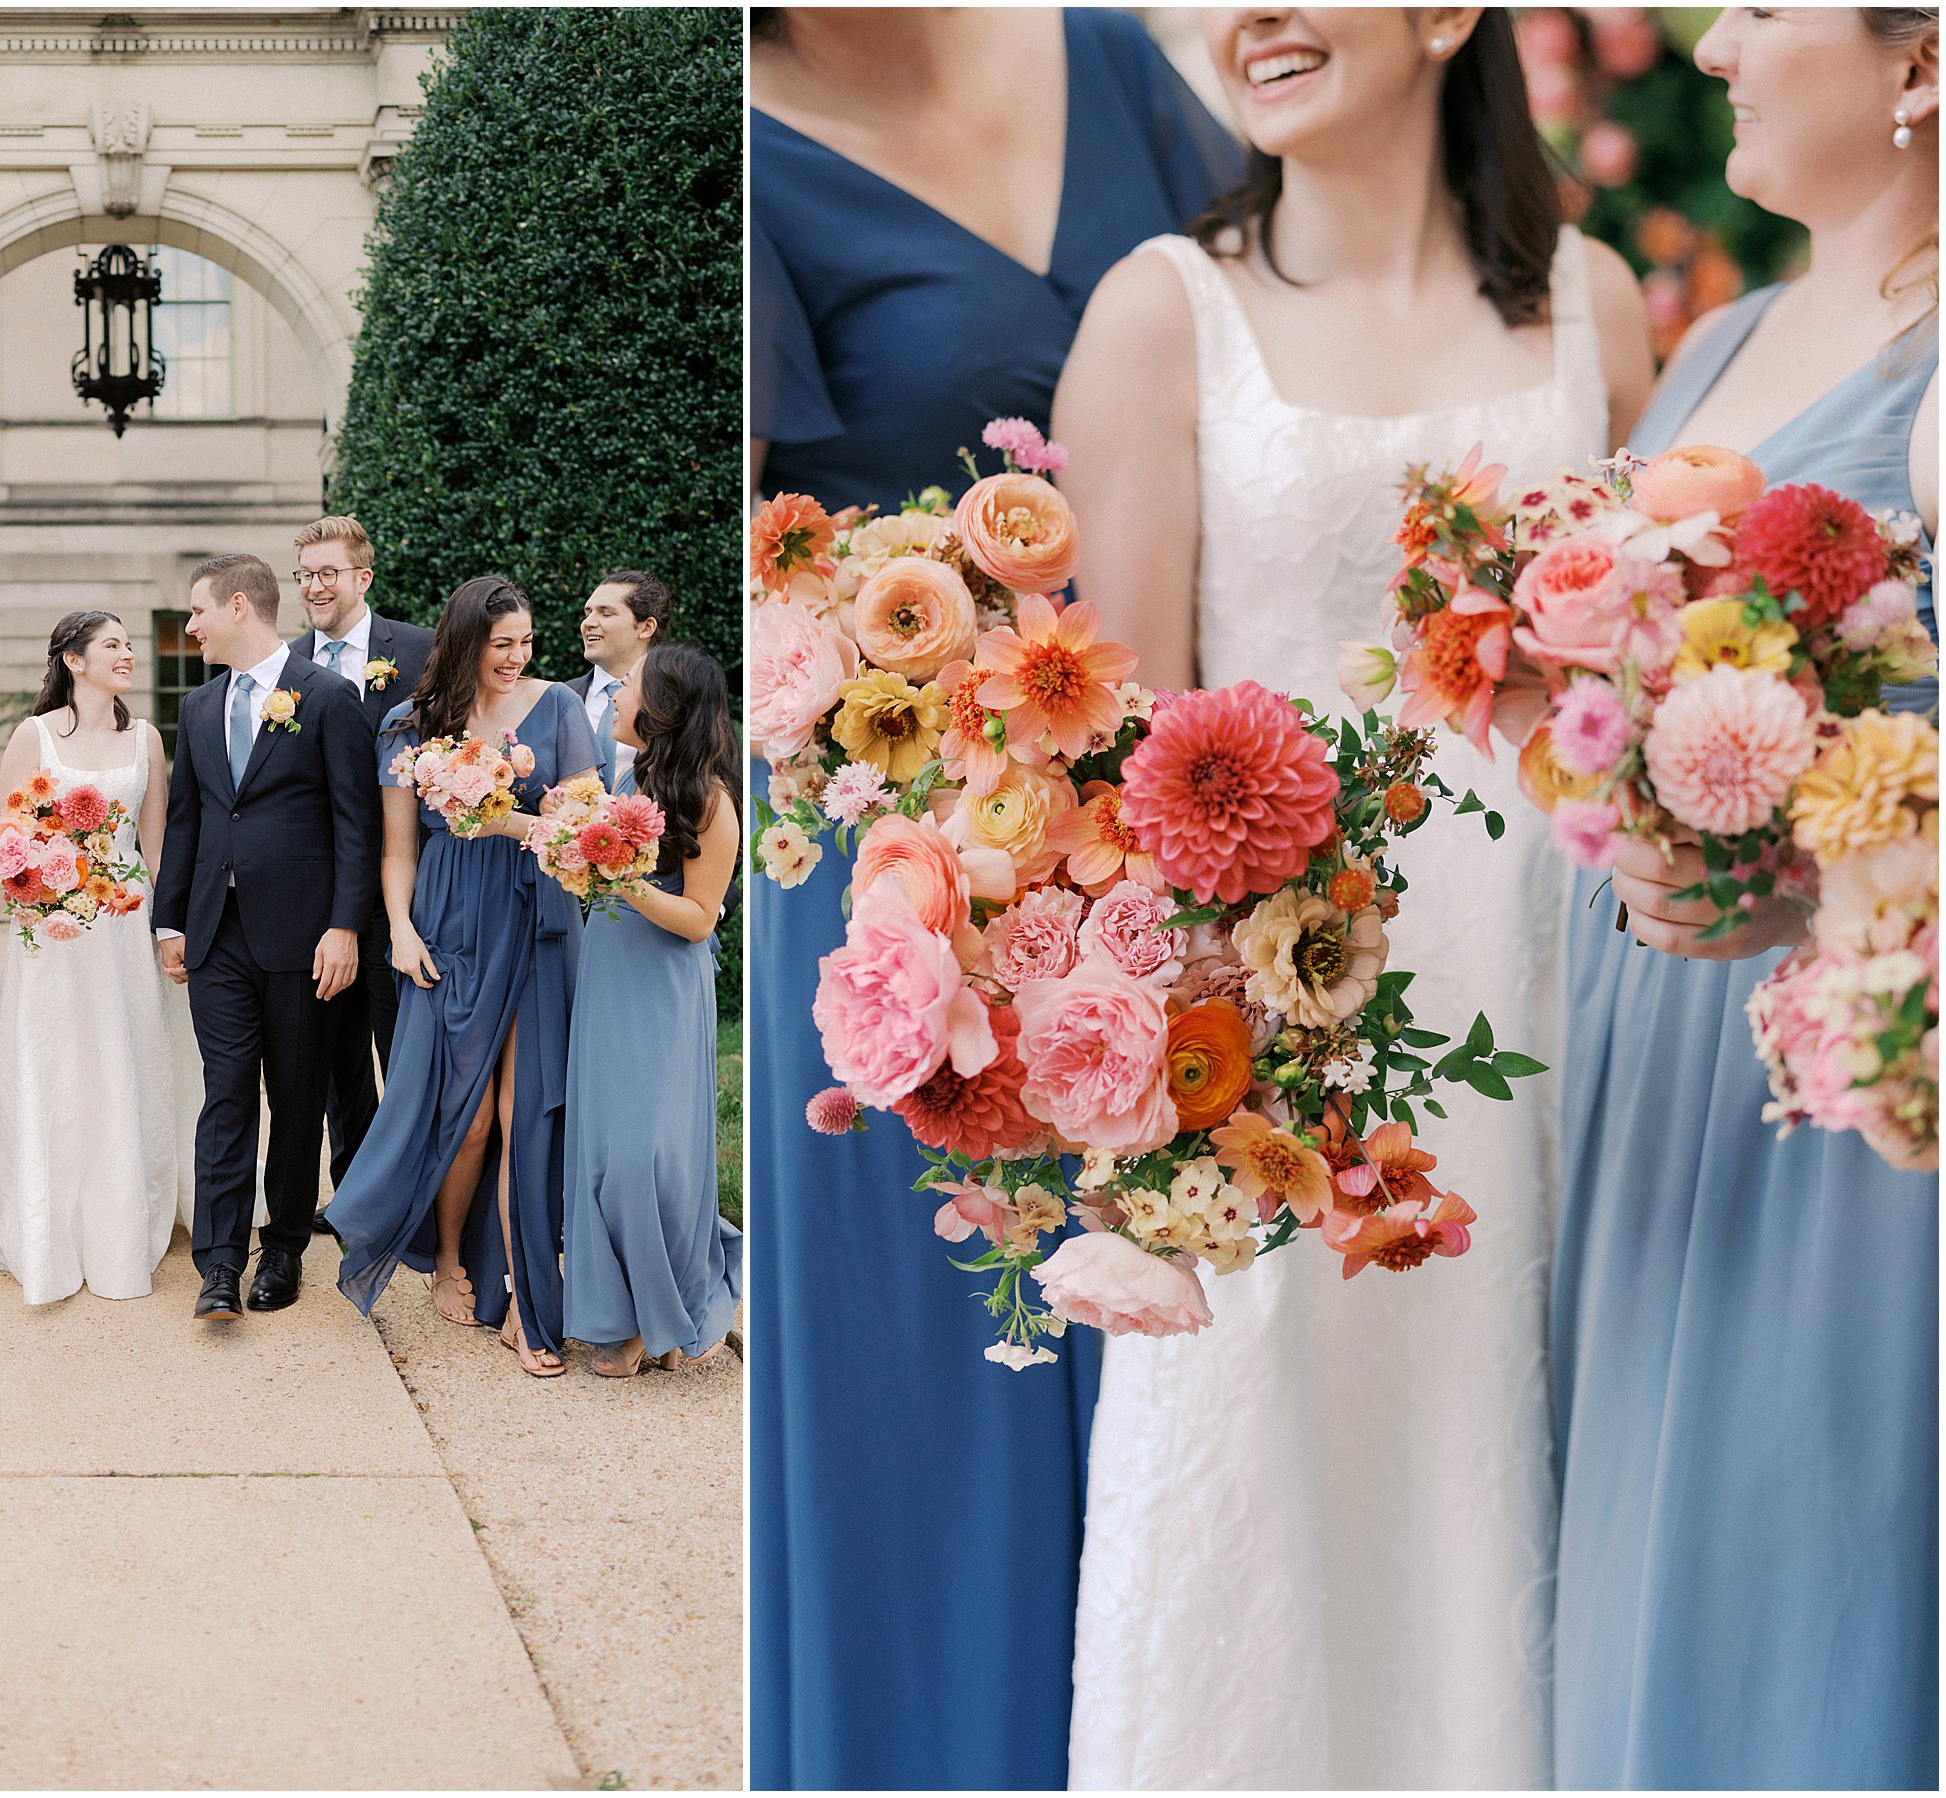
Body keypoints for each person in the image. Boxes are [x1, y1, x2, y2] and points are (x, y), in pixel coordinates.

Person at [1047, 8, 1652, 1785]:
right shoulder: (1164, 311)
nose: (1250, 15)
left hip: (1560, 997)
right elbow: (1123, 776)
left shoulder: (1597, 305)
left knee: (1516, 1455)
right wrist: (1156, 1117)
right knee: (1265, 1480)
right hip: (1291, 1044)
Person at [747, 8, 1238, 1786]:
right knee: (955, 1415)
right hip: (906, 878)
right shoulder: (746, 140)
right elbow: (757, 571)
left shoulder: (1114, 59)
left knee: (1193, 1390)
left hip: (1198, 822)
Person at [1553, 9, 1938, 1787]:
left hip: (1845, 1085)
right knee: (1629, 1567)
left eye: (1769, 6)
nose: (1711, 44)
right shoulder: (1715, 337)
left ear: (1921, 62)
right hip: (1650, 1044)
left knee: (1802, 1580)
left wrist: (1801, 867)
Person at [324, 576, 598, 1377]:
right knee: (466, 1116)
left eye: (526, 642)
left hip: (538, 918)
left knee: (528, 1116)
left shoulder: (560, 710)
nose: (516, 658)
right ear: (466, 641)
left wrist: (500, 815)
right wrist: (400, 930)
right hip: (447, 923)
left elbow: (580, 828)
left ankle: (524, 1299)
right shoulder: (411, 724)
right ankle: (447, 1258)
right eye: (500, 644)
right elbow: (398, 847)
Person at [153, 553, 376, 1324]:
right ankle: (218, 1264)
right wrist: (171, 918)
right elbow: (190, 820)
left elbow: (357, 822)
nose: (190, 627)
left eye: (198, 612)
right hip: (218, 935)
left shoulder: (328, 698)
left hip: (305, 936)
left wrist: (345, 925)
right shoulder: (197, 706)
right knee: (225, 1096)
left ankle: (283, 1248)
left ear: (239, 605)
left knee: (296, 1096)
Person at [0, 611, 185, 1304]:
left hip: (124, 924)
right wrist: (44, 893)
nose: (128, 655)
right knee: (58, 1058)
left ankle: (124, 1213)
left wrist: (168, 929)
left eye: (129, 644)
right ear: (73, 659)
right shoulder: (34, 738)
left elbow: (156, 848)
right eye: (113, 646)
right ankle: (45, 1216)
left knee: (124, 1055)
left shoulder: (145, 739)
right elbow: (9, 843)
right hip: (54, 932)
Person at [563, 641, 743, 1376]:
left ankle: (657, 1311)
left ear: (664, 706)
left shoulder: (708, 796)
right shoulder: (629, 778)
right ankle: (623, 1314)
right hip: (607, 970)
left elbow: (702, 916)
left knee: (649, 1156)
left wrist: (619, 874)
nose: (611, 696)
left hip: (663, 986)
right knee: (604, 1149)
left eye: (627, 686)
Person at [285, 514, 434, 1200]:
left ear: (362, 577)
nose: (315, 587)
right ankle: (353, 1194)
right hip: (323, 887)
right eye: (306, 574)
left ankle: (422, 1189)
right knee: (337, 1049)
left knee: (406, 1041)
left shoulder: (421, 651)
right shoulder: (285, 666)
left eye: (328, 573)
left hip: (412, 883)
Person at [564, 569, 672, 778]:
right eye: (588, 613)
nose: (588, 623)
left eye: (606, 613)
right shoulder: (561, 697)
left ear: (646, 627)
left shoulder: (676, 701)